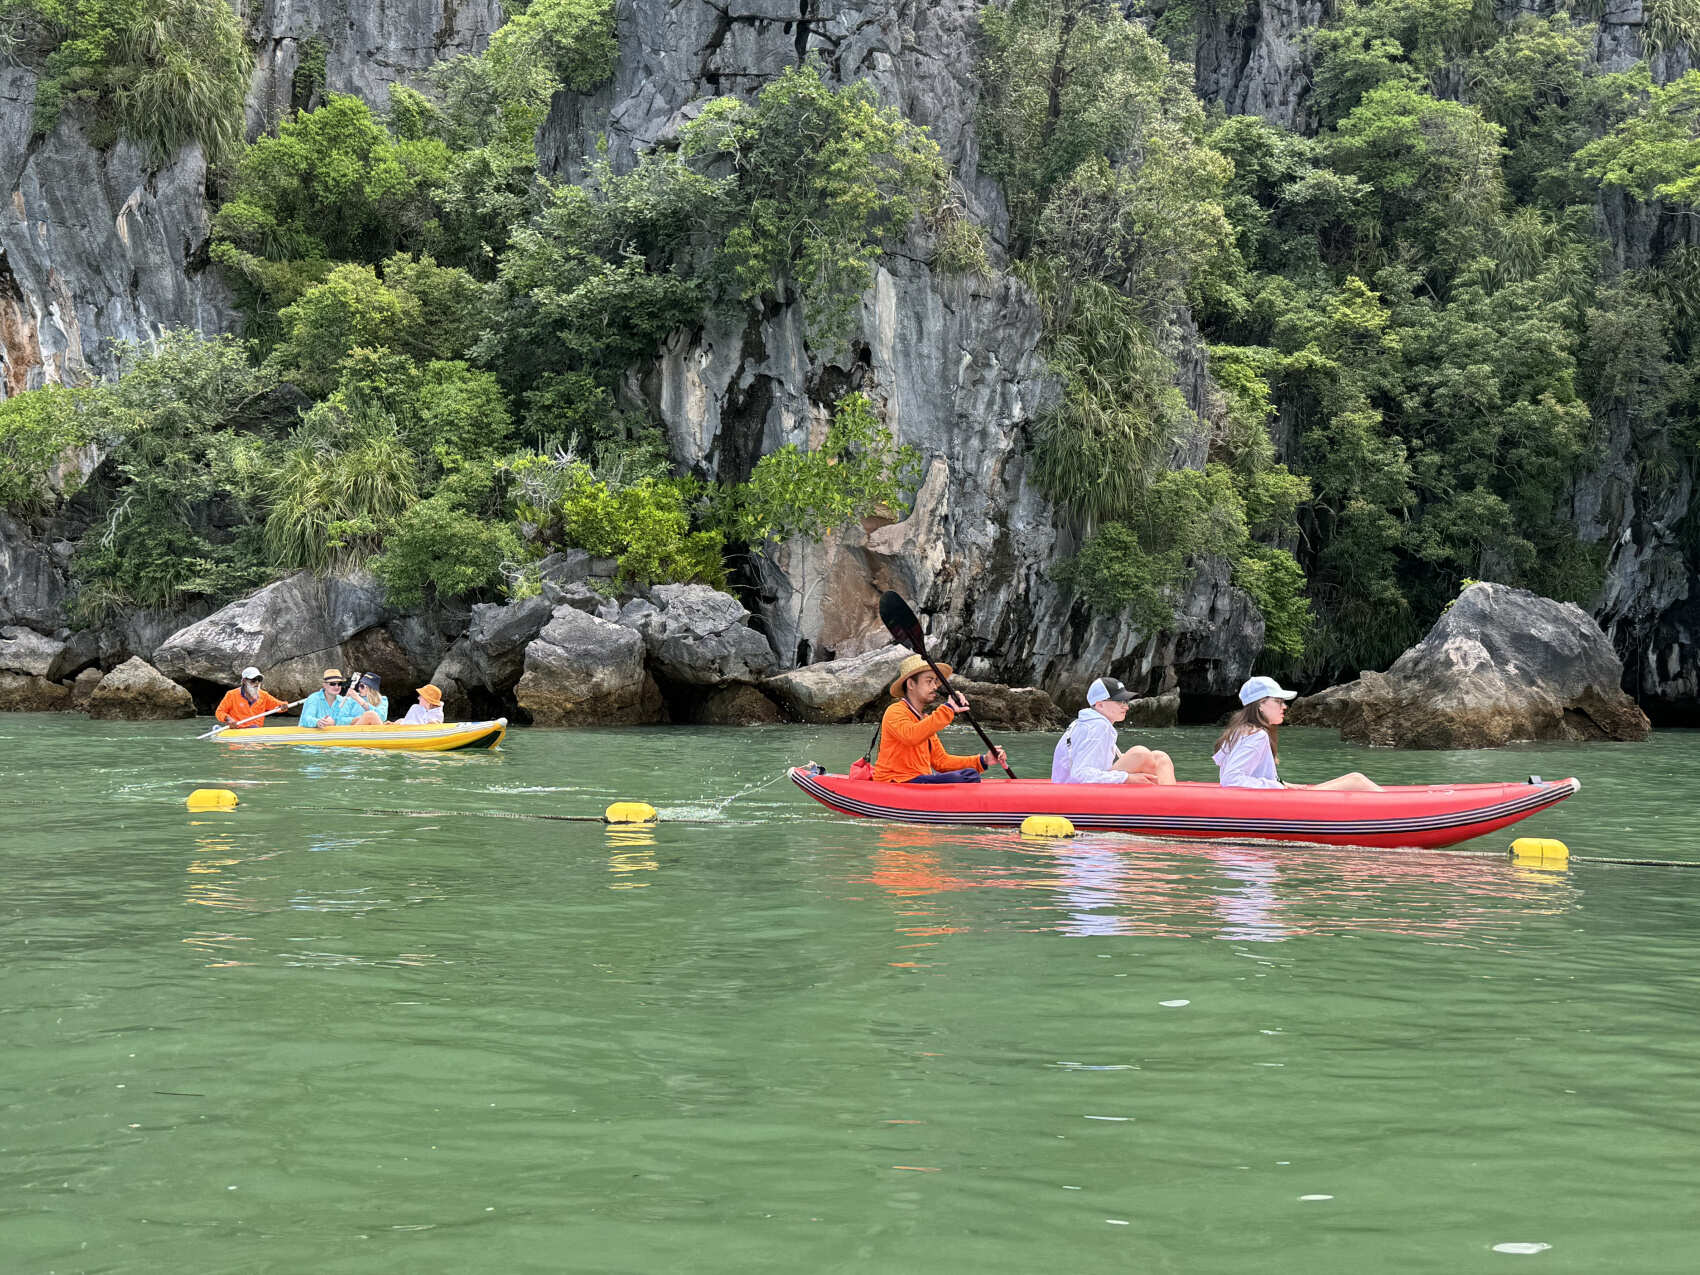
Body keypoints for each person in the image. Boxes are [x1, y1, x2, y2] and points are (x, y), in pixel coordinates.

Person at [1214, 675, 1382, 791]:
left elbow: (1251, 774)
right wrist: (1277, 786)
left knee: (1355, 779)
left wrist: (1281, 782)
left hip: (1268, 799)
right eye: (1278, 701)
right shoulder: (1256, 735)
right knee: (1356, 780)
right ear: (1260, 705)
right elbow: (1231, 779)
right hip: (1271, 804)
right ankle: (1394, 812)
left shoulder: (1241, 731)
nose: (1284, 706)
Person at [872, 654, 1009, 784]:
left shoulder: (924, 720)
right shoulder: (895, 711)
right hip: (895, 780)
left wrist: (983, 760)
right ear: (911, 684)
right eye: (929, 681)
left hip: (919, 780)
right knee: (967, 777)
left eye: (936, 681)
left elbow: (941, 761)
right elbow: (911, 736)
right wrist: (948, 709)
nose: (934, 687)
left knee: (970, 774)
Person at [1051, 676, 1176, 785]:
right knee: (1140, 754)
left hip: (1076, 786)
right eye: (1119, 701)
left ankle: (1169, 798)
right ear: (1100, 705)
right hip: (1074, 791)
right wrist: (1126, 778)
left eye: (1126, 701)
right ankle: (1167, 800)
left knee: (1160, 757)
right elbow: (1080, 774)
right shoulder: (1097, 726)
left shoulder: (1091, 723)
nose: (1126, 706)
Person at [214, 666, 287, 729]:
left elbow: (280, 706)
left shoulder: (264, 695)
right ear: (244, 681)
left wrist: (283, 706)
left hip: (255, 730)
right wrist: (228, 719)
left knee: (254, 728)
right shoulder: (231, 695)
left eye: (259, 679)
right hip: (237, 730)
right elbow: (219, 712)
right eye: (253, 680)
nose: (257, 683)